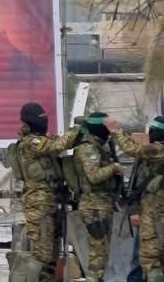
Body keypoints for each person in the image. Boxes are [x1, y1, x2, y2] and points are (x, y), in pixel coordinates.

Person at [15, 102, 81, 282]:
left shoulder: (43, 139)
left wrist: (80, 134)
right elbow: (57, 146)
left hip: (53, 201)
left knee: (52, 253)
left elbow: (63, 142)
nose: (44, 122)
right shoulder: (30, 143)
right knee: (42, 253)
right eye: (41, 119)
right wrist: (76, 128)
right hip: (39, 204)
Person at [109, 117, 164, 282]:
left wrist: (117, 132)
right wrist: (135, 210)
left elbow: (132, 149)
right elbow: (138, 182)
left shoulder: (158, 150)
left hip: (156, 215)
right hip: (149, 213)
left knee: (150, 258)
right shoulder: (151, 155)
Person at [74, 112, 121, 282]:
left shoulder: (101, 146)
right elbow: (93, 176)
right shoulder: (88, 148)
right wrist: (114, 168)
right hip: (94, 207)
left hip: (102, 205)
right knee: (97, 257)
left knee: (102, 254)